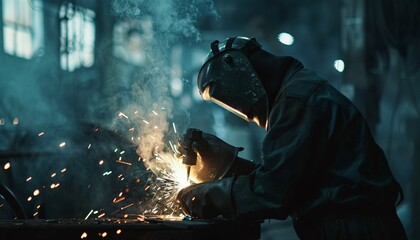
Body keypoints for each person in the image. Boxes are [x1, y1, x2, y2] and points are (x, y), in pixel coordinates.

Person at [176, 36, 408, 239]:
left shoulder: (297, 102)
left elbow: (272, 193)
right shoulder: (297, 92)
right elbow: (288, 176)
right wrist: (221, 161)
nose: (239, 109)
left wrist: (206, 195)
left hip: (355, 230)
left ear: (240, 73)